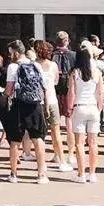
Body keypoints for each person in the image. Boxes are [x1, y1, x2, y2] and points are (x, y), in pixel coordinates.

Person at [5, 40, 48, 183]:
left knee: (15, 140)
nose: (10, 55)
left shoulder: (13, 67)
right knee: (38, 138)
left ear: (16, 52)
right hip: (35, 104)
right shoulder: (36, 65)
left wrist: (4, 94)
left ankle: (13, 174)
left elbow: (9, 89)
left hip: (19, 104)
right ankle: (41, 174)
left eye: (11, 52)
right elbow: (44, 87)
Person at [34, 39, 72, 171]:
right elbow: (56, 82)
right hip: (52, 100)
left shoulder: (33, 66)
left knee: (40, 135)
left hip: (38, 102)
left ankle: (42, 163)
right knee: (56, 133)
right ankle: (61, 160)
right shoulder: (53, 65)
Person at [69, 47, 104, 183]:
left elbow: (71, 92)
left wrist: (69, 108)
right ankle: (92, 173)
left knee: (79, 143)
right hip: (93, 107)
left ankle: (81, 173)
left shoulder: (75, 73)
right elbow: (100, 92)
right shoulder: (97, 73)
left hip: (79, 106)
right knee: (93, 143)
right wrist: (99, 108)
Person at [53, 30, 77, 161]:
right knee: (69, 124)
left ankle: (57, 154)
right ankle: (71, 153)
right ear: (67, 41)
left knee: (54, 125)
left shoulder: (51, 56)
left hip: (54, 91)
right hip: (69, 91)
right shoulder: (74, 56)